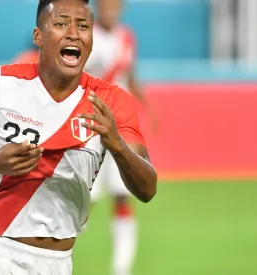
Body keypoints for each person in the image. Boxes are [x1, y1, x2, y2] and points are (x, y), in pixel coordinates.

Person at [0, 0, 157, 274]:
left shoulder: (112, 102)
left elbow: (147, 189)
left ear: (91, 39)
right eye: (60, 24)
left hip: (57, 263)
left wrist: (117, 145)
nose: (73, 33)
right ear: (38, 36)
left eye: (83, 26)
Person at [83, 0, 156, 274]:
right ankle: (53, 256)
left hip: (121, 126)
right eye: (105, 6)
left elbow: (129, 74)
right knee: (82, 197)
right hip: (90, 125)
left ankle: (121, 268)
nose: (110, 10)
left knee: (122, 195)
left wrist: (148, 107)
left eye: (114, 6)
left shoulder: (126, 36)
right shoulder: (87, 35)